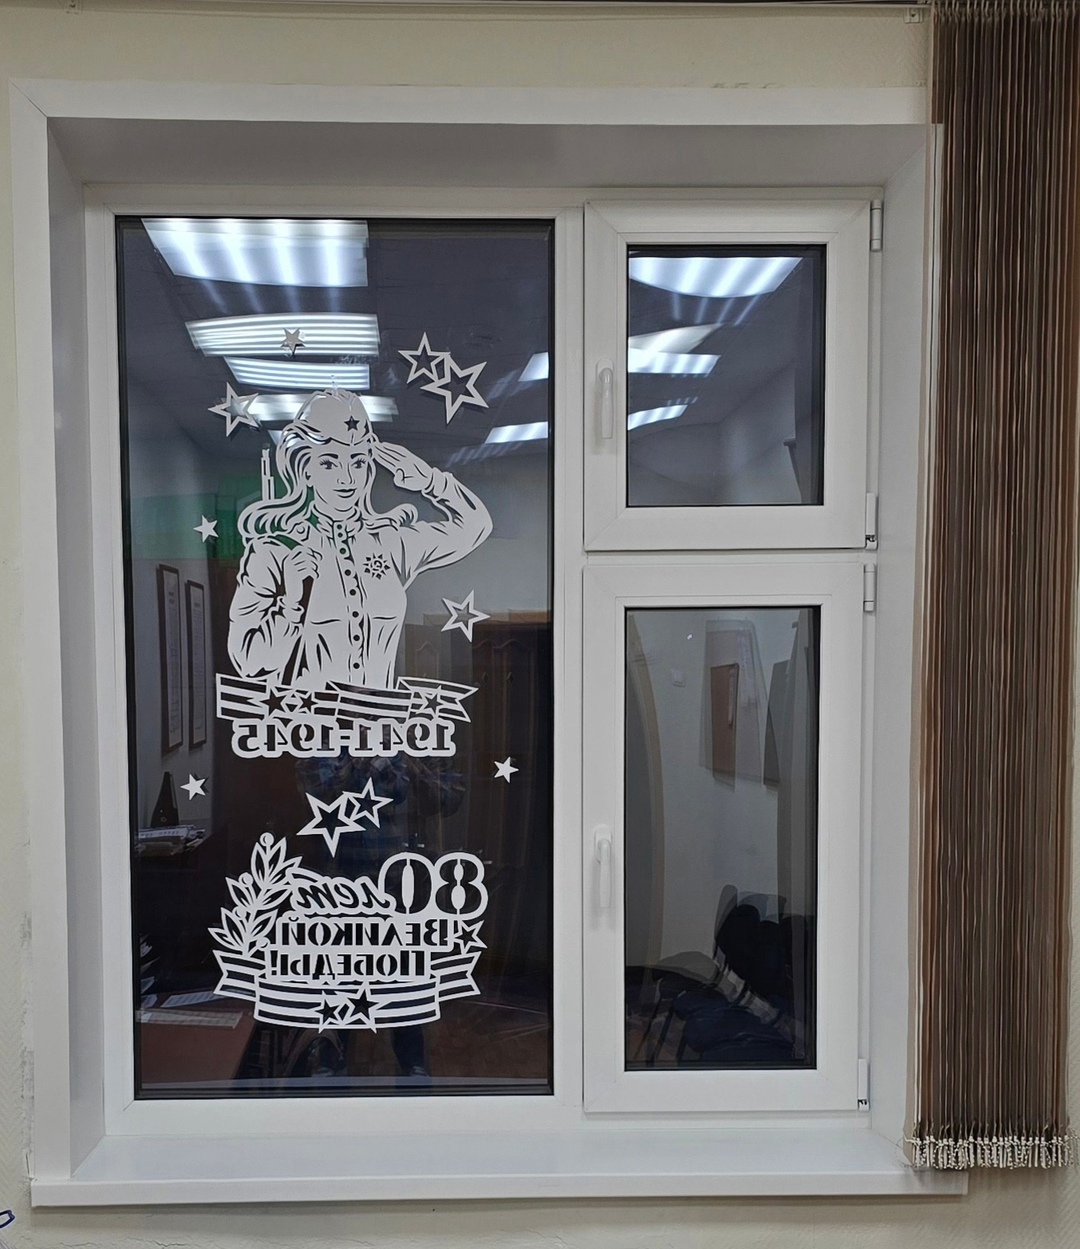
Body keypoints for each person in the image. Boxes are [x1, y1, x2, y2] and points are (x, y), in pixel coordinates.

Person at [228, 389, 491, 691]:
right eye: (329, 463)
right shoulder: (274, 552)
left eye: (357, 462)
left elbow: (475, 525)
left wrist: (429, 480)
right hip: (303, 720)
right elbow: (248, 662)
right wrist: (290, 604)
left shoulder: (390, 544)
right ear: (305, 470)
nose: (347, 479)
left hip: (381, 719)